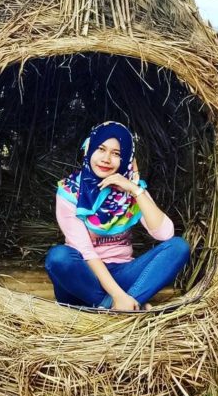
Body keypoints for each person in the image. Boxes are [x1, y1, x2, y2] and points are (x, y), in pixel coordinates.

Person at [45, 121, 190, 312]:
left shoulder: (130, 188)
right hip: (83, 278)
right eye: (101, 149)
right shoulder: (69, 192)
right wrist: (117, 296)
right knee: (59, 257)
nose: (106, 159)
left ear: (126, 159)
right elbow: (86, 252)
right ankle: (120, 305)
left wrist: (134, 190)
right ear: (89, 150)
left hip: (123, 274)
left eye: (116, 153)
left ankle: (123, 306)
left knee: (179, 247)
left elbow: (165, 234)